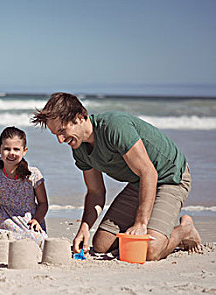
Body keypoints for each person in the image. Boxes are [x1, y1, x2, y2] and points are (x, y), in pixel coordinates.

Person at [31, 92, 201, 260]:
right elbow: (96, 192)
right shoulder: (79, 149)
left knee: (149, 250)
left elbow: (148, 172)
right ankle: (153, 225)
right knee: (101, 245)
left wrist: (140, 224)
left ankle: (185, 230)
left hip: (170, 177)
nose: (60, 140)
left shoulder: (114, 127)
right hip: (139, 182)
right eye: (56, 135)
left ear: (80, 117)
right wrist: (84, 227)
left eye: (62, 131)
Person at [0, 126, 49, 246]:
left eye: (16, 149)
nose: (11, 153)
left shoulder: (33, 175)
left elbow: (43, 203)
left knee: (35, 241)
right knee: (1, 243)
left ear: (24, 151)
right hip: (5, 223)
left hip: (29, 222)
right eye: (7, 149)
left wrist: (37, 219)